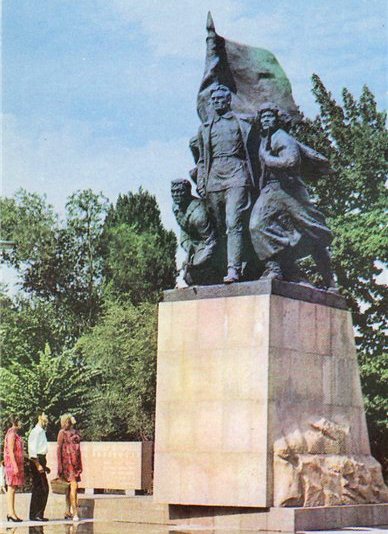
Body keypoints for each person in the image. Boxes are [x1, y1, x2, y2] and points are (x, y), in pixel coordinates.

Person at [249, 102, 338, 290]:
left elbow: (291, 161)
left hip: (289, 191)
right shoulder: (265, 139)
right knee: (256, 226)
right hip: (271, 190)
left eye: (270, 117)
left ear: (277, 119)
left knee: (314, 234)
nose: (266, 120)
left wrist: (268, 159)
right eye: (263, 117)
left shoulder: (282, 138)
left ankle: (330, 281)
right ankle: (275, 266)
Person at [196, 84, 256, 283]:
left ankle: (234, 269)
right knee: (218, 226)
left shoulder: (243, 122)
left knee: (234, 222)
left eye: (220, 99)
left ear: (228, 100)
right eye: (214, 100)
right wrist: (201, 180)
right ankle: (217, 267)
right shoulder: (205, 128)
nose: (216, 103)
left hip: (237, 173)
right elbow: (203, 159)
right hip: (214, 176)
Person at [171, 179, 219, 285]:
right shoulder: (176, 207)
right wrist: (189, 250)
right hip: (195, 244)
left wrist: (197, 263)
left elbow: (211, 242)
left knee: (196, 274)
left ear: (188, 192)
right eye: (173, 192)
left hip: (209, 243)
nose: (176, 195)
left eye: (180, 191)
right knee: (189, 276)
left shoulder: (199, 214)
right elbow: (184, 232)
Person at [57, 414, 82, 521]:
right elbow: (58, 449)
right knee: (73, 486)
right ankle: (75, 512)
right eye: (64, 422)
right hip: (67, 464)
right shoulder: (61, 433)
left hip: (75, 462)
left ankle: (67, 511)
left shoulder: (75, 432)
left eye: (67, 422)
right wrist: (59, 465)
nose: (65, 424)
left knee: (70, 488)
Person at [28, 412, 50, 521]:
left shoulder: (42, 432)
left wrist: (45, 466)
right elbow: (32, 450)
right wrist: (38, 464)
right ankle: (36, 514)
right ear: (39, 417)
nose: (47, 418)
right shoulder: (36, 432)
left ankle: (36, 514)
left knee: (40, 488)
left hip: (41, 459)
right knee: (42, 488)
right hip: (36, 460)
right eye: (45, 416)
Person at [4, 415, 24, 522]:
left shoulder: (14, 434)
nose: (21, 423)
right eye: (20, 421)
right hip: (12, 465)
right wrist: (15, 466)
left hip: (13, 464)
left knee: (13, 488)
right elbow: (10, 451)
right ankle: (11, 513)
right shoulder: (11, 434)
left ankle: (11, 512)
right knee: (11, 488)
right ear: (15, 422)